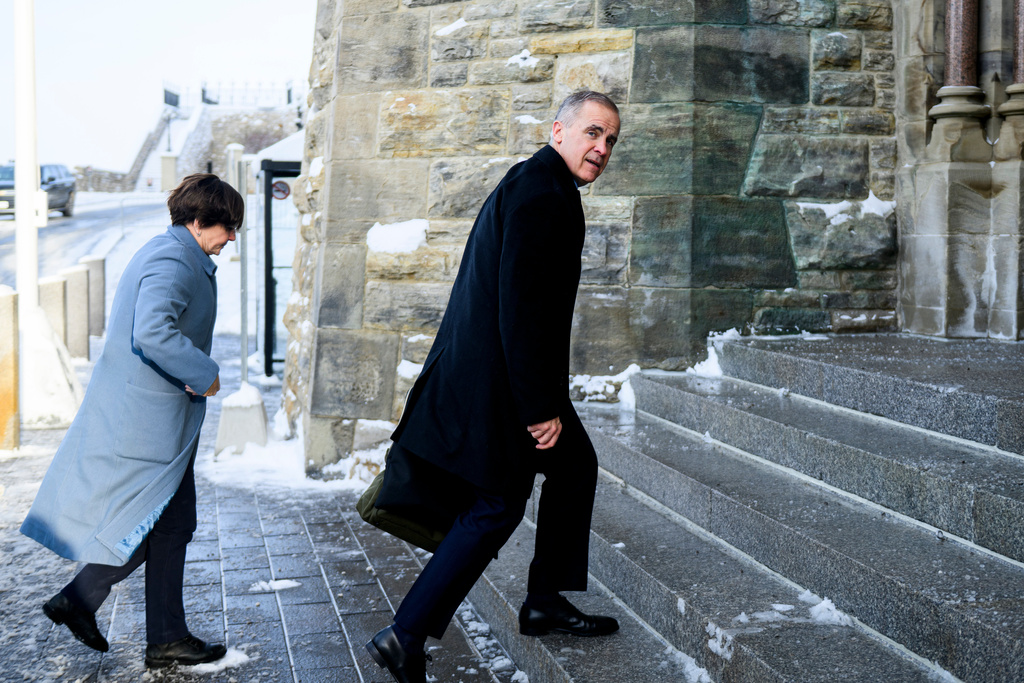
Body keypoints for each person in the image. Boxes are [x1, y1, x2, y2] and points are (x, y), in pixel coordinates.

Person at [366, 91, 622, 683]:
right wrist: (540, 408)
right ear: (558, 130)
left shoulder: (540, 184)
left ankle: (541, 600)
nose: (601, 148)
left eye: (610, 140)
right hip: (502, 386)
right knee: (495, 505)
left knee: (571, 467)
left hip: (497, 377)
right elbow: (522, 309)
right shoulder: (541, 194)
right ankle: (405, 635)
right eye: (592, 133)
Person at [21, 173, 241, 668]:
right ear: (200, 220)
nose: (232, 238)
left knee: (167, 524)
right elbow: (152, 332)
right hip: (146, 422)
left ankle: (127, 620)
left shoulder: (176, 252)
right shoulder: (171, 258)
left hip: (153, 419)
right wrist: (204, 373)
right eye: (227, 227)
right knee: (156, 522)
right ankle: (117, 616)